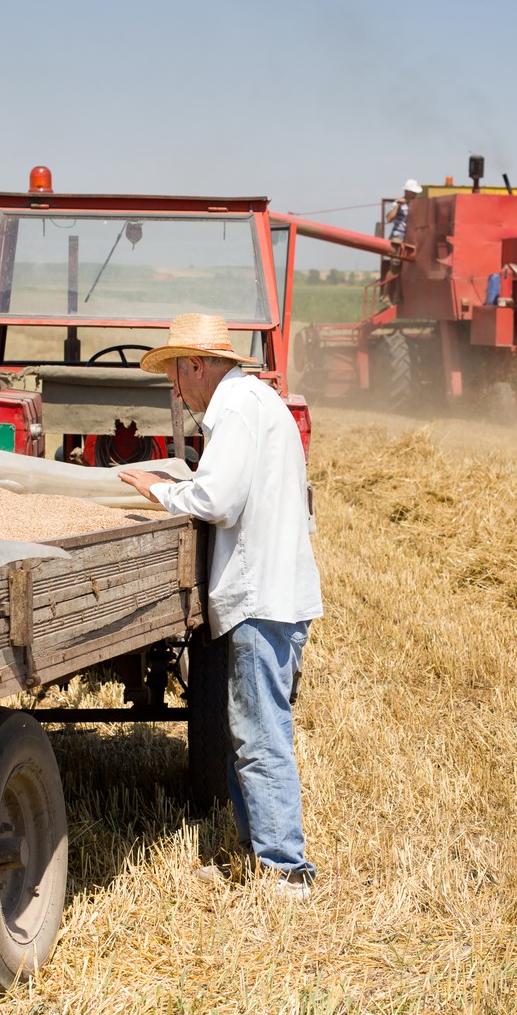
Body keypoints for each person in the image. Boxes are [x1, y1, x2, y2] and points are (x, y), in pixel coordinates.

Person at [118, 313, 323, 900]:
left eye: (177, 375)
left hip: (261, 595)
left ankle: (287, 872)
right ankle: (258, 857)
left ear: (197, 365)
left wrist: (157, 488)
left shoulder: (234, 410)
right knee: (250, 730)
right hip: (280, 590)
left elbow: (218, 500)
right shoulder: (257, 402)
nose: (176, 390)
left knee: (260, 736)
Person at [380, 178, 421, 300]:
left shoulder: (417, 205)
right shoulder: (397, 204)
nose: (415, 194)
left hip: (411, 238)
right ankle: (386, 295)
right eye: (413, 192)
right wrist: (398, 205)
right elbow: (389, 218)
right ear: (407, 192)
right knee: (395, 266)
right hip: (398, 237)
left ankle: (398, 297)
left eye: (415, 192)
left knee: (405, 269)